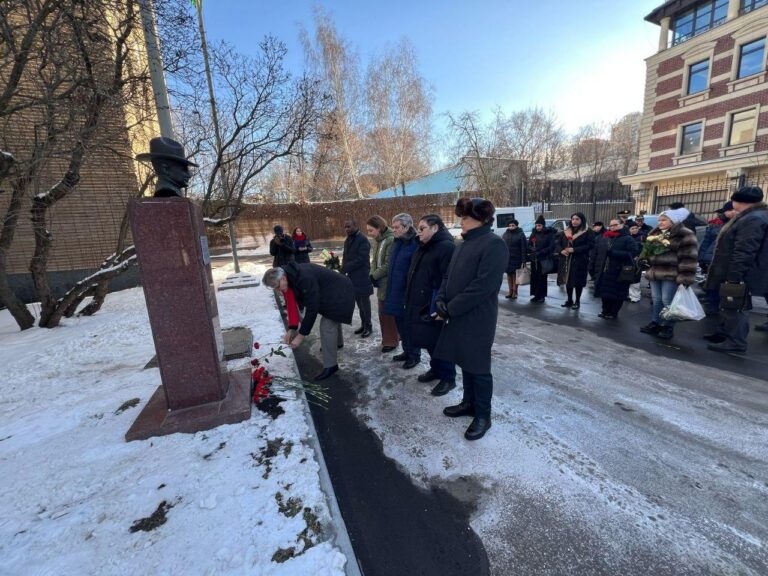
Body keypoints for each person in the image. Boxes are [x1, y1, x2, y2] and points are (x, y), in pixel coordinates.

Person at [434, 198, 508, 441]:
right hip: (457, 314)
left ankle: (483, 415)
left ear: (482, 219)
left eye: (465, 218)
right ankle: (468, 403)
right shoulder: (462, 244)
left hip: (477, 317)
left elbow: (483, 286)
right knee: (463, 360)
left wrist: (450, 308)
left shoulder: (494, 244)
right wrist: (441, 299)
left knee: (478, 367)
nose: (461, 222)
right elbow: (448, 276)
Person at [703, 186, 768, 354]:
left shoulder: (753, 219)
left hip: (742, 271)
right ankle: (725, 333)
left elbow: (745, 250)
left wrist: (735, 275)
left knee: (737, 305)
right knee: (729, 304)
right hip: (739, 269)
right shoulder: (752, 216)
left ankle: (736, 341)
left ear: (739, 201)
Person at [262, 263, 354, 381]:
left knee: (327, 325)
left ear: (283, 278)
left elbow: (312, 308)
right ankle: (336, 343)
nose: (278, 290)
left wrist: (300, 336)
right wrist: (292, 328)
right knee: (333, 318)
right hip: (332, 291)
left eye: (277, 286)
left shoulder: (304, 277)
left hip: (342, 292)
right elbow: (291, 304)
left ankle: (331, 366)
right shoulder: (288, 277)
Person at [405, 214, 457, 395]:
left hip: (434, 303)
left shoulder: (446, 247)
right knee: (427, 339)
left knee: (439, 342)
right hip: (419, 301)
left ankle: (448, 378)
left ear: (435, 228)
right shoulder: (424, 246)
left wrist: (439, 303)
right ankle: (436, 369)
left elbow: (448, 279)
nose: (418, 233)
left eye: (422, 228)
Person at [639, 208, 698, 340]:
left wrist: (686, 276)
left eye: (664, 220)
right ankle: (656, 323)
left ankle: (668, 326)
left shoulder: (685, 234)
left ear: (673, 220)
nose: (660, 222)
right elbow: (648, 252)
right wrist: (645, 259)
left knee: (668, 300)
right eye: (659, 220)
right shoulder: (655, 233)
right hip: (655, 272)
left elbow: (688, 257)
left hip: (671, 273)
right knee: (656, 300)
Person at [384, 213, 420, 369]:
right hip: (395, 290)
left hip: (407, 294)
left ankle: (414, 355)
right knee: (400, 324)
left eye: (397, 227)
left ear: (407, 227)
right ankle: (406, 351)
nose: (394, 230)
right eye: (393, 227)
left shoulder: (414, 244)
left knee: (409, 326)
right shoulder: (397, 242)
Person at [590, 218, 640, 319]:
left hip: (619, 270)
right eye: (611, 225)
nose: (613, 227)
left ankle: (613, 312)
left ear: (621, 225)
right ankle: (605, 311)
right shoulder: (605, 237)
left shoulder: (627, 238)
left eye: (615, 225)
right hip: (605, 270)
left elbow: (633, 253)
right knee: (605, 292)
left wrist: (614, 253)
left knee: (617, 293)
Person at [366, 215, 399, 353]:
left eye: (371, 230)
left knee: (387, 313)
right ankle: (387, 339)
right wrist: (372, 274)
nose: (369, 233)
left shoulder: (390, 240)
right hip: (380, 282)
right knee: (382, 313)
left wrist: (374, 275)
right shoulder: (377, 241)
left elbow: (388, 264)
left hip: (388, 282)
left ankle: (392, 341)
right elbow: (374, 261)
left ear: (379, 228)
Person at [699, 202, 734, 314]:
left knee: (725, 285)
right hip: (713, 259)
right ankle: (712, 303)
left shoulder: (737, 225)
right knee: (713, 282)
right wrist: (701, 258)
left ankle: (722, 306)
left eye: (724, 212)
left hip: (728, 260)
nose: (721, 214)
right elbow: (706, 242)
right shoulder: (715, 225)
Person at [341, 219, 373, 338]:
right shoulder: (348, 239)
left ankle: (369, 326)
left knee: (364, 302)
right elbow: (345, 255)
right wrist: (342, 268)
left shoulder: (362, 239)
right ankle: (363, 324)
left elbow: (362, 259)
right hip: (352, 276)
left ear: (355, 226)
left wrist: (346, 267)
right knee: (358, 302)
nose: (346, 229)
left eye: (348, 226)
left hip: (362, 275)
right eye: (345, 227)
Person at [556, 212, 594, 309]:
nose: (574, 221)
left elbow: (590, 245)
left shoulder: (587, 231)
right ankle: (569, 300)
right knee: (568, 280)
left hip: (580, 260)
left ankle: (577, 301)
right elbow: (557, 244)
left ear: (582, 220)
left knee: (578, 282)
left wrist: (575, 250)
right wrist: (561, 251)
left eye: (577, 219)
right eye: (573, 219)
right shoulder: (566, 231)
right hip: (566, 259)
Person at [527, 215, 556, 303]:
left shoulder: (548, 234)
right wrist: (532, 249)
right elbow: (528, 244)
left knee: (542, 278)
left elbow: (551, 247)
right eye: (536, 225)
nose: (537, 227)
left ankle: (542, 295)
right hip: (535, 259)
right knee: (534, 277)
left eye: (539, 225)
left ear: (543, 225)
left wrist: (540, 251)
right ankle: (536, 295)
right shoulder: (534, 233)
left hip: (543, 259)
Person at [501, 219, 527, 299]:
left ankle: (515, 292)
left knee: (515, 275)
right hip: (508, 258)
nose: (511, 227)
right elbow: (502, 246)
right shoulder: (505, 234)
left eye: (513, 225)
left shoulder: (520, 234)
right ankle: (510, 291)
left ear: (516, 226)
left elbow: (523, 248)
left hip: (517, 258)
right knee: (509, 274)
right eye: (509, 225)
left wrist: (524, 260)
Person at [627, 221, 644, 303]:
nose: (634, 230)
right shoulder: (627, 237)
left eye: (636, 228)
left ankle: (635, 297)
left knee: (635, 280)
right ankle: (628, 295)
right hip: (628, 260)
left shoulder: (642, 237)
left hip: (637, 262)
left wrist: (639, 256)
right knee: (626, 277)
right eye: (632, 228)